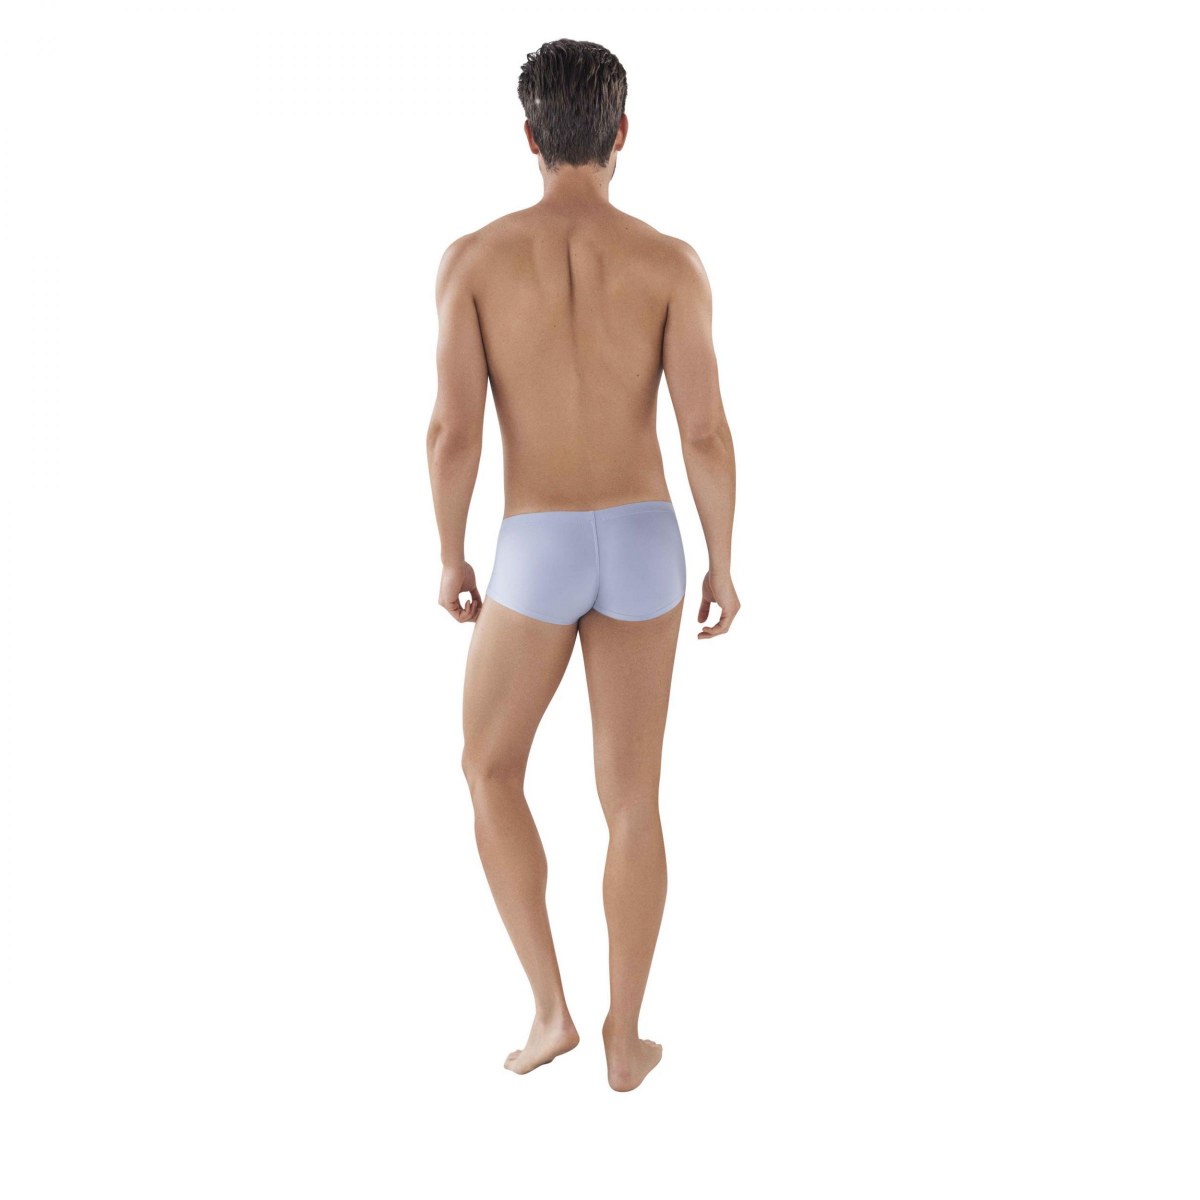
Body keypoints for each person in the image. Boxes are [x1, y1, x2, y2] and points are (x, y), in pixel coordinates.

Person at [426, 38, 739, 1092]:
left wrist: (450, 553)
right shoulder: (669, 263)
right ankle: (625, 1037)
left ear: (530, 136)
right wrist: (723, 561)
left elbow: (453, 433)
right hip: (647, 536)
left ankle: (552, 1009)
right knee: (633, 799)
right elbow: (705, 431)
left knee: (488, 768)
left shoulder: (475, 262)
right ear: (621, 134)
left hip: (538, 540)